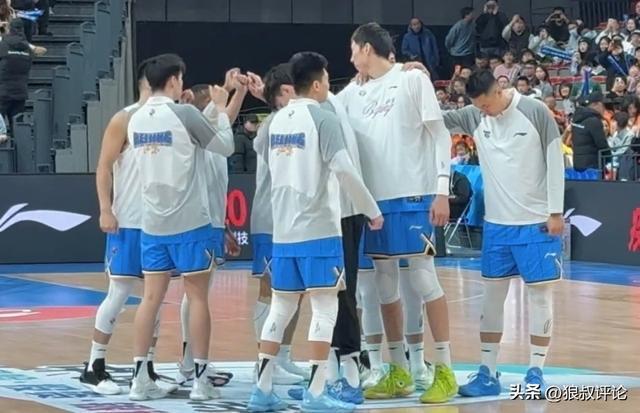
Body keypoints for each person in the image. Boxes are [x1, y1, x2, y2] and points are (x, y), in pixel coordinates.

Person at [248, 51, 382, 413]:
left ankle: (262, 391)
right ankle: (316, 392)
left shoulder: (274, 122)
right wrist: (371, 209)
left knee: (280, 309)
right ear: (319, 83)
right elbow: (344, 169)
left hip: (284, 232)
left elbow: (266, 157)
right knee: (325, 310)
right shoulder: (323, 118)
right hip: (319, 229)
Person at [341, 22, 457, 404]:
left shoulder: (411, 79)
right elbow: (320, 105)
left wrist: (442, 190)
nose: (351, 58)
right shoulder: (351, 94)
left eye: (353, 50)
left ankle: (445, 370)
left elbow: (440, 134)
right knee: (384, 286)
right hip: (375, 204)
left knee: (424, 279)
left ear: (366, 48)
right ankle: (398, 370)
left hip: (414, 195)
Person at [443, 69, 565, 398]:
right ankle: (487, 371)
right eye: (477, 107)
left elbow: (555, 160)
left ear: (500, 88)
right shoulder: (474, 115)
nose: (483, 111)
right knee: (492, 298)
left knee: (540, 297)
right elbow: (434, 119)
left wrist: (555, 212)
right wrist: (412, 79)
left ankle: (536, 372)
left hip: (535, 222)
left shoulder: (535, 111)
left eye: (486, 104)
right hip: (496, 225)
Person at [127, 53, 234, 401]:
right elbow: (225, 146)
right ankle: (200, 380)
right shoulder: (185, 114)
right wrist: (220, 109)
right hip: (191, 221)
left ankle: (140, 378)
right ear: (174, 80)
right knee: (198, 297)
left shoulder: (135, 118)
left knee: (150, 300)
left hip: (153, 222)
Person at [245, 64, 312, 387]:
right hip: (271, 217)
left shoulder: (290, 118)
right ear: (286, 91)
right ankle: (264, 359)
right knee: (270, 288)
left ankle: (282, 356)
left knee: (296, 291)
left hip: (295, 218)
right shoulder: (273, 124)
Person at [0, 18, 31, 130]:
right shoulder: (27, 48)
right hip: (20, 91)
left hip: (3, 91)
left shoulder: (3, 45)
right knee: (18, 128)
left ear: (10, 29)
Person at [570, 91, 611, 171]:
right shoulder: (594, 121)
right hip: (593, 166)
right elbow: (601, 143)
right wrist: (609, 158)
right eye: (603, 105)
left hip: (579, 164)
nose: (604, 109)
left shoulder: (576, 118)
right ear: (596, 104)